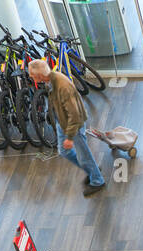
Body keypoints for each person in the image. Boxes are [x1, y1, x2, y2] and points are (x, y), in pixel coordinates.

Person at [27, 59, 104, 197]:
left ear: (39, 76)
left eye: (32, 75)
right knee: (64, 152)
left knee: (83, 155)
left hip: (73, 124)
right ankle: (92, 170)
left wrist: (70, 137)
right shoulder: (50, 81)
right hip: (62, 121)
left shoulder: (62, 86)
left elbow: (74, 115)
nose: (31, 77)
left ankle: (97, 180)